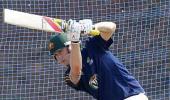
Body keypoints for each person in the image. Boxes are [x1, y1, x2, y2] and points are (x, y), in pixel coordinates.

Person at [48, 19, 148, 100]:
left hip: (132, 97)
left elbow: (111, 27)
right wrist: (75, 40)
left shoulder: (93, 47)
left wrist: (92, 27)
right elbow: (76, 70)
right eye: (55, 55)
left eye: (60, 52)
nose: (59, 59)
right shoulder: (67, 76)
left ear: (69, 47)